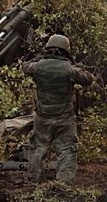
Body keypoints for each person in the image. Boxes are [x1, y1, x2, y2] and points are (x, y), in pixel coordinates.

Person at [22, 34, 94, 184]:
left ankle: (33, 180)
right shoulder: (70, 69)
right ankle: (63, 184)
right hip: (64, 117)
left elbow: (25, 67)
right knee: (67, 149)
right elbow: (88, 79)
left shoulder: (37, 67)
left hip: (42, 116)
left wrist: (40, 57)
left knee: (38, 147)